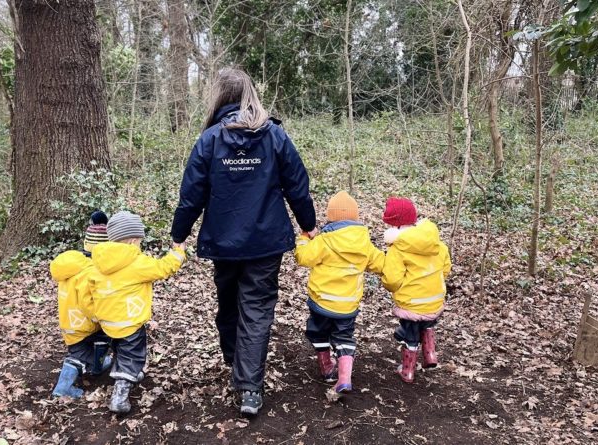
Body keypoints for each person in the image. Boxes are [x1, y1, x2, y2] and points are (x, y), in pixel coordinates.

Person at [170, 68, 316, 415]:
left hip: (229, 240)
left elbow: (191, 196)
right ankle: (246, 378)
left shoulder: (215, 139)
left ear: (219, 96)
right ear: (250, 94)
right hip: (261, 240)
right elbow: (298, 185)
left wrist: (178, 236)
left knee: (234, 300)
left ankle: (241, 370)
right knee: (253, 306)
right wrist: (308, 225)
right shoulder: (271, 136)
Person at [89, 211, 186, 413]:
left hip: (107, 321)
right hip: (130, 322)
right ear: (133, 240)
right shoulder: (136, 261)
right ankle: (120, 395)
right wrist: (178, 252)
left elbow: (90, 287)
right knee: (133, 355)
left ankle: (128, 371)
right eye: (140, 240)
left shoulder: (98, 261)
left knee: (120, 348)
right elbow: (163, 268)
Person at [294, 191, 385, 393]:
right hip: (348, 305)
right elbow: (381, 264)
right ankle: (344, 378)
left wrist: (303, 238)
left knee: (318, 332)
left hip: (322, 303)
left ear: (330, 216)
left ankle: (327, 368)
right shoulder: (364, 243)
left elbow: (303, 257)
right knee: (345, 337)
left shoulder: (324, 240)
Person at [381, 197, 451, 384]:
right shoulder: (437, 244)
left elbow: (392, 280)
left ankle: (407, 371)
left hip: (411, 304)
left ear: (394, 227)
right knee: (428, 324)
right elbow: (445, 269)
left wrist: (388, 283)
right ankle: (430, 355)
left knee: (410, 335)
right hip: (434, 299)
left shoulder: (398, 249)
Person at [49, 210, 113, 398]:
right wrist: (101, 317)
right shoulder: (89, 272)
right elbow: (88, 303)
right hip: (84, 325)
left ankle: (97, 365)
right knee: (79, 354)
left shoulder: (72, 267)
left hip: (70, 322)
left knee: (88, 348)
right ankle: (63, 388)